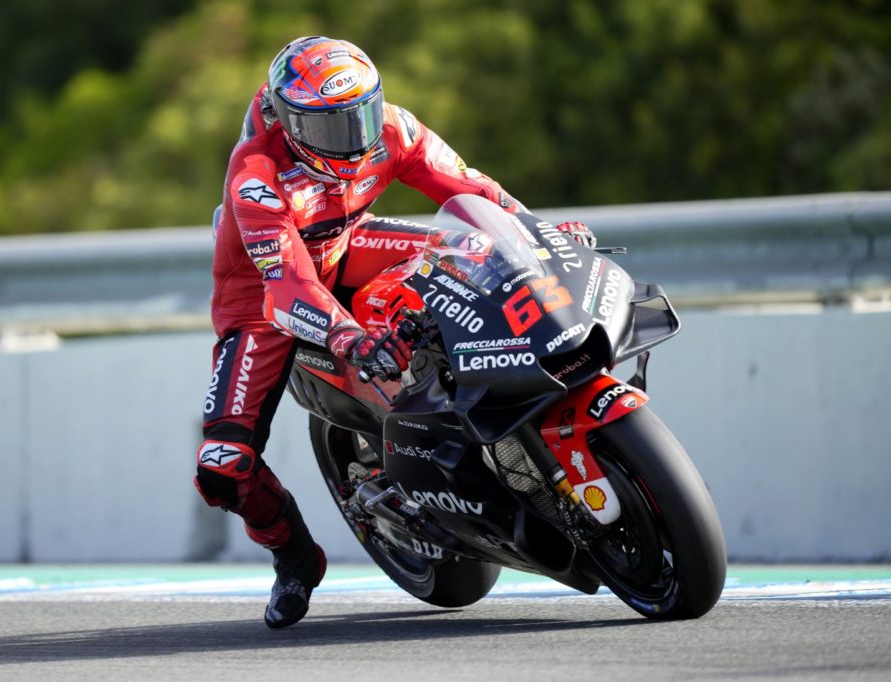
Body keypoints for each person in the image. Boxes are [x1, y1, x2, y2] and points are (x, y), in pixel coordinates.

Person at [195, 35, 595, 629]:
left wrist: (537, 235)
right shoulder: (256, 176)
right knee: (222, 465)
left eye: (359, 115)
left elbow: (472, 188)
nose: (353, 139)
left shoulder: (392, 128)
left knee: (477, 250)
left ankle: (492, 390)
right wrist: (348, 337)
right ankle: (295, 559)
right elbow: (289, 284)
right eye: (328, 127)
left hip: (347, 246)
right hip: (262, 299)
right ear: (288, 122)